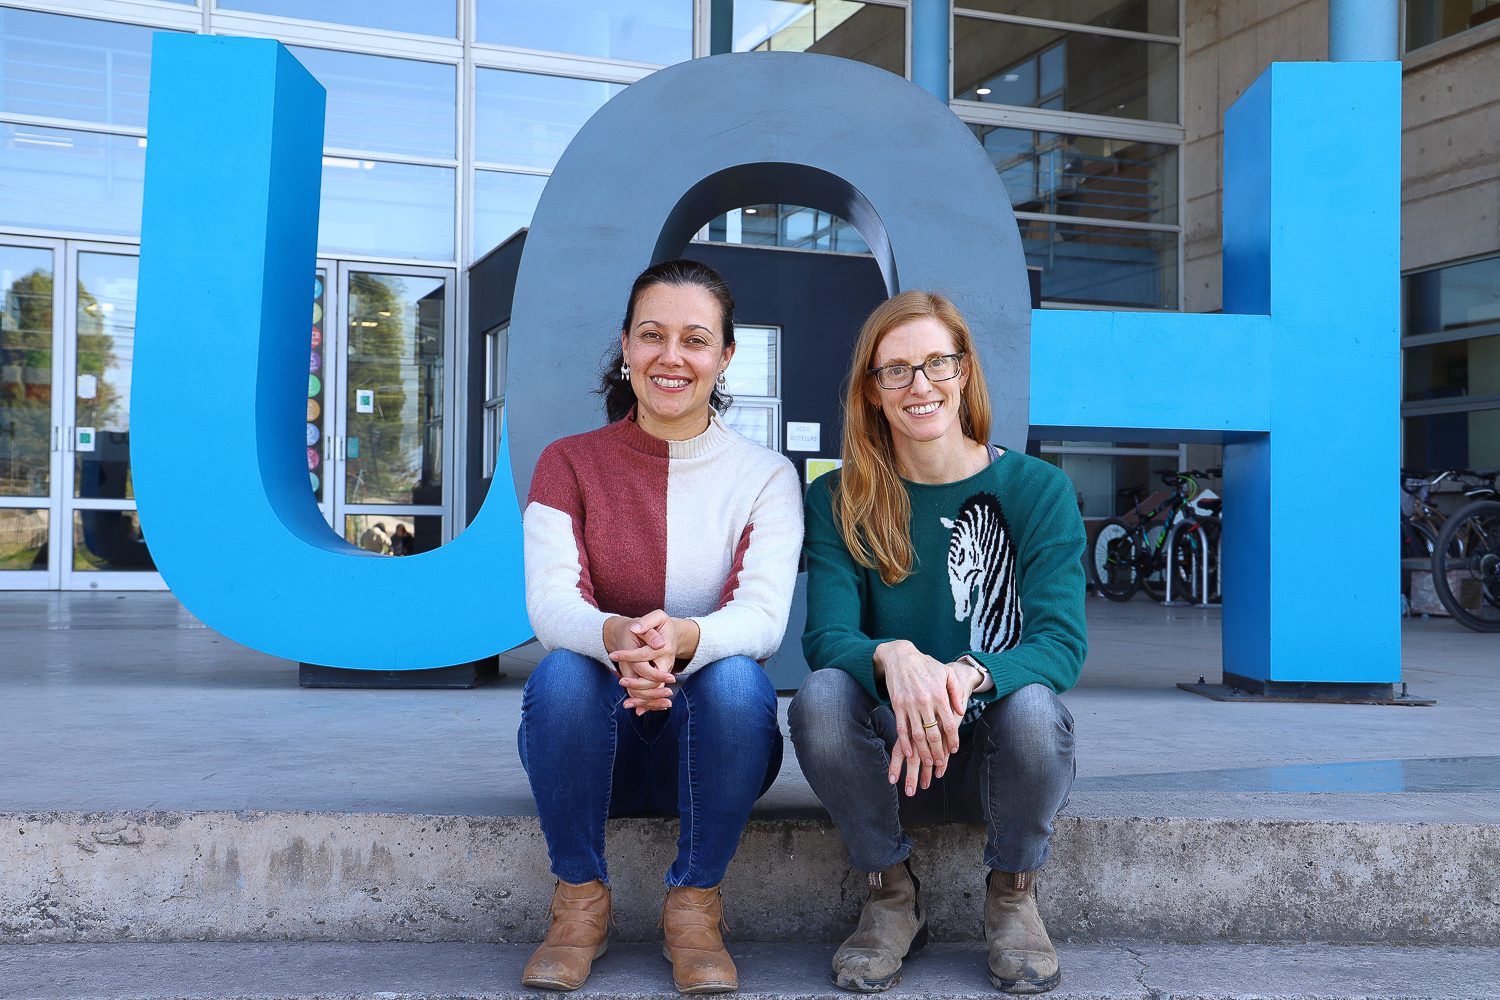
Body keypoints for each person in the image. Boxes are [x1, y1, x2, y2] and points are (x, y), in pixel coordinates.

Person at [517, 259, 803, 994]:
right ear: (625, 346)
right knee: (559, 675)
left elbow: (764, 618)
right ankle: (579, 898)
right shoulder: (568, 463)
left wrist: (680, 642)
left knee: (742, 682)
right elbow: (552, 607)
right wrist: (620, 638)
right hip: (593, 747)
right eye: (652, 335)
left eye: (695, 339)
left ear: (726, 356)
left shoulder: (767, 477)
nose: (671, 357)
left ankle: (694, 903)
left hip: (708, 752)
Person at [789, 291, 1085, 995]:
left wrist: (967, 673)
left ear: (965, 371)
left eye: (935, 364)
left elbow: (1060, 643)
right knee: (821, 697)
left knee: (1037, 707)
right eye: (896, 371)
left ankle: (1012, 892)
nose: (919, 386)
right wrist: (893, 656)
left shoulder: (1037, 489)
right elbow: (827, 635)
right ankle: (891, 892)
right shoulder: (839, 499)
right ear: (871, 391)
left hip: (1000, 763)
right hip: (890, 765)